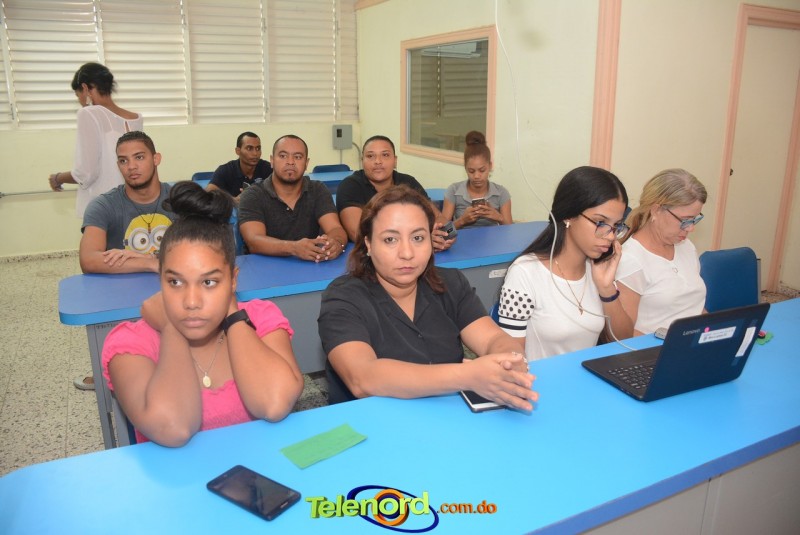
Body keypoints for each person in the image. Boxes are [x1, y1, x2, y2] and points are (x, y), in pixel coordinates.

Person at [101, 181, 304, 446]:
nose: (191, 301)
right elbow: (174, 428)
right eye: (175, 282)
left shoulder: (261, 319)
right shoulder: (130, 344)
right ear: (160, 279)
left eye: (209, 282)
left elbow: (274, 404)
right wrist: (170, 328)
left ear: (233, 280)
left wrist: (232, 314)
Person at [318, 185, 538, 409]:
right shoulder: (343, 297)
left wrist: (510, 361)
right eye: (390, 240)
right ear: (368, 244)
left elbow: (492, 339)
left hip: (445, 413)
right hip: (372, 420)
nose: (407, 253)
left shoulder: (450, 283)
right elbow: (363, 378)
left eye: (418, 237)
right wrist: (467, 375)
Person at [497, 166, 633, 360]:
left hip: (586, 376)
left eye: (616, 225)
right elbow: (511, 358)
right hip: (538, 378)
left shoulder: (599, 269)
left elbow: (624, 341)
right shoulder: (525, 272)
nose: (611, 236)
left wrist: (606, 288)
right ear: (569, 215)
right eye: (600, 223)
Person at [615, 169, 708, 335]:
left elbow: (693, 307)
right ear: (656, 210)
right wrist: (673, 345)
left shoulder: (686, 247)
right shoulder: (630, 260)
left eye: (695, 219)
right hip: (656, 348)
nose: (691, 228)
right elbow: (625, 335)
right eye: (685, 220)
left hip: (691, 342)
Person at [48, 62, 143, 218]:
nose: (79, 100)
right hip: (133, 206)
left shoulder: (88, 114)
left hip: (102, 209)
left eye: (78, 94)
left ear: (85, 88)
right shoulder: (135, 118)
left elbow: (86, 173)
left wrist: (58, 178)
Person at [238, 134, 347, 262]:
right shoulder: (252, 195)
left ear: (306, 163)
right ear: (272, 161)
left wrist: (337, 243)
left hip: (311, 266)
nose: (290, 162)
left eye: (298, 157)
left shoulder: (317, 189)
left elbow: (335, 228)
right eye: (283, 156)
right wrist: (294, 248)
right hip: (264, 269)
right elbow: (254, 241)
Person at [336, 135, 455, 251]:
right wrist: (422, 239)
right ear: (362, 161)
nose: (378, 161)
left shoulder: (408, 182)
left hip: (414, 251)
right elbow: (357, 233)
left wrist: (444, 235)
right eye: (370, 156)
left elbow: (439, 217)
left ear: (395, 160)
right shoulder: (350, 186)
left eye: (385, 155)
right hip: (367, 255)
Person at [79, 131, 174, 275]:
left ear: (156, 159)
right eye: (123, 161)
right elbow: (88, 260)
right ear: (118, 165)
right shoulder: (103, 205)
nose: (131, 166)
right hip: (122, 285)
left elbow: (205, 248)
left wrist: (148, 258)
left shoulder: (180, 199)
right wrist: (150, 263)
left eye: (139, 157)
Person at [442, 131, 512, 229]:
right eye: (471, 171)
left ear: (490, 166)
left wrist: (499, 217)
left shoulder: (501, 193)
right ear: (465, 168)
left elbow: (511, 231)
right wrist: (462, 221)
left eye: (482, 170)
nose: (476, 176)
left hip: (493, 238)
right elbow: (444, 232)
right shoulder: (453, 191)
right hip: (462, 238)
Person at [206, 131, 272, 201]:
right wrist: (233, 200)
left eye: (258, 148)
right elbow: (209, 192)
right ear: (238, 151)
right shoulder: (226, 170)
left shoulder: (269, 168)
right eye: (249, 148)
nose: (255, 153)